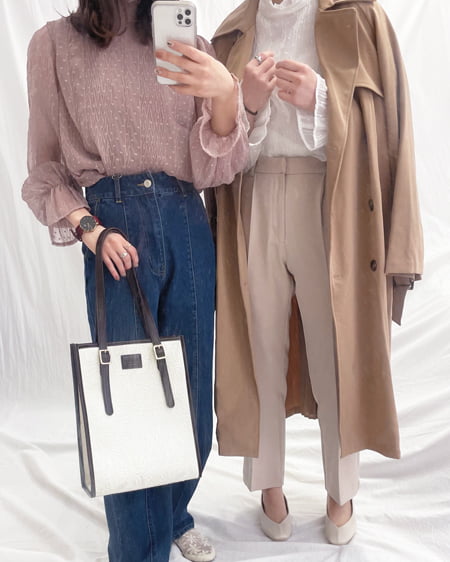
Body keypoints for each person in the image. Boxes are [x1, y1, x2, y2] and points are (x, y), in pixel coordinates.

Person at [22, 0, 249, 560]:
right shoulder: (54, 46)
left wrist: (225, 95)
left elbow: (215, 165)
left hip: (186, 221)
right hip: (114, 229)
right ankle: (137, 551)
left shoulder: (183, 38)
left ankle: (173, 515)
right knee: (129, 407)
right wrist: (91, 230)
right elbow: (45, 166)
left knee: (189, 397)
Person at [207, 0, 423, 545]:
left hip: (331, 200)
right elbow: (218, 152)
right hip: (254, 197)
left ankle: (341, 491)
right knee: (258, 351)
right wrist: (248, 105)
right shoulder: (234, 30)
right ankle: (269, 486)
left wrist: (321, 101)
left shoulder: (359, 16)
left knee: (336, 352)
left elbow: (388, 125)